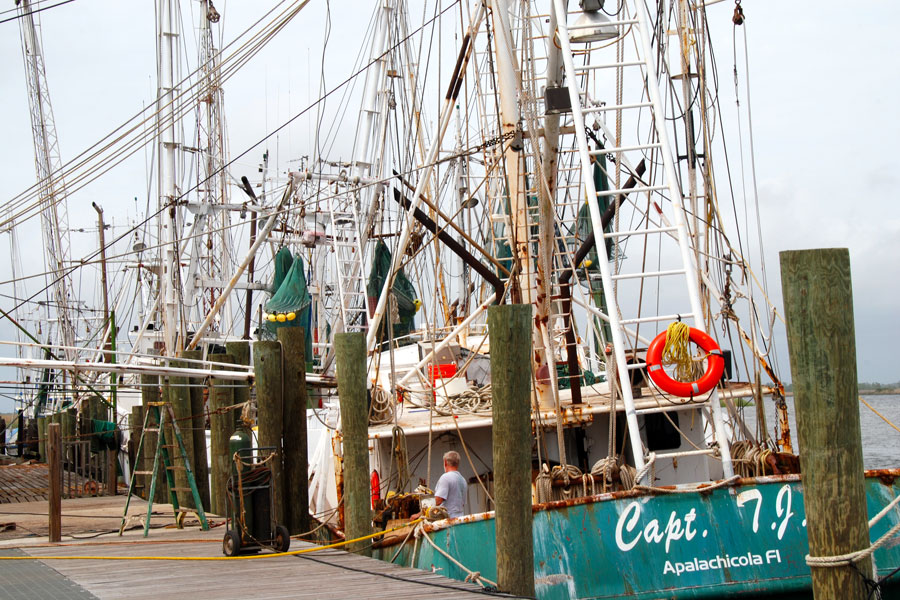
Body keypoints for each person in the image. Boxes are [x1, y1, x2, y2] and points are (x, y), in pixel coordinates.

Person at [433, 450, 468, 518]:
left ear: (445, 462)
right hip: (460, 518)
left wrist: (420, 514)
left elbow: (438, 501)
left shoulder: (446, 477)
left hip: (448, 520)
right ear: (457, 463)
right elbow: (462, 504)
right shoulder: (463, 480)